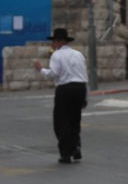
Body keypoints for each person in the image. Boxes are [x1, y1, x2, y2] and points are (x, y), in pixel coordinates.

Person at [33, 27, 87, 164]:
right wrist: (85, 95)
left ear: (59, 42)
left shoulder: (57, 55)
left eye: (53, 41)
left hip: (65, 88)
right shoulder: (78, 54)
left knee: (61, 121)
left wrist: (41, 69)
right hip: (80, 87)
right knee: (75, 120)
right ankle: (75, 147)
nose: (52, 44)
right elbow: (84, 74)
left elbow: (54, 73)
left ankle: (66, 153)